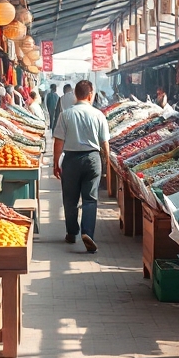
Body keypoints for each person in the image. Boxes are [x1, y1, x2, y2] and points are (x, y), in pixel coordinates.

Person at [53, 80, 109, 254]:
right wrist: (105, 160)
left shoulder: (66, 114)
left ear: (76, 94)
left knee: (70, 198)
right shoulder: (98, 115)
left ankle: (72, 232)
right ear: (90, 94)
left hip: (71, 160)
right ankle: (88, 233)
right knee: (90, 199)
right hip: (93, 158)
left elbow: (58, 141)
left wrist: (56, 163)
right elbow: (104, 142)